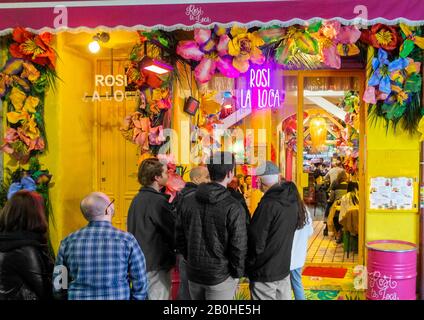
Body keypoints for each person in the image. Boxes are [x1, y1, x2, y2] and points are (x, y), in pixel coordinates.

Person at [176, 151, 247, 300]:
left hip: (195, 272)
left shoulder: (188, 200)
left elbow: (180, 236)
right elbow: (238, 245)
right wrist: (237, 273)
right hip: (220, 275)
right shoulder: (233, 206)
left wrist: (191, 260)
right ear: (230, 173)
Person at [53, 192, 148, 300]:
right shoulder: (127, 240)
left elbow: (59, 282)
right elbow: (140, 278)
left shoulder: (68, 241)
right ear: (107, 210)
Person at [247, 161, 299, 300]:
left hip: (265, 271)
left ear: (259, 181)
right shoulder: (292, 199)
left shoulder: (268, 204)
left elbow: (256, 240)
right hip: (283, 267)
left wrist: (250, 264)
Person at [127, 158, 176, 300]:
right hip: (156, 263)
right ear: (157, 177)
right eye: (166, 173)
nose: (168, 176)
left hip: (141, 260)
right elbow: (172, 231)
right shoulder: (157, 201)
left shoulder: (137, 199)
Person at [0, 191, 53, 300]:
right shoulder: (25, 249)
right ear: (35, 215)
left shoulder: (7, 242)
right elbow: (46, 291)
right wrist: (63, 270)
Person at [174, 165, 210, 300]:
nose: (209, 181)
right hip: (191, 252)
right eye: (206, 177)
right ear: (196, 178)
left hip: (186, 252)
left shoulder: (183, 194)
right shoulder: (194, 197)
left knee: (186, 288)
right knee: (190, 290)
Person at [290, 203, 313, 300]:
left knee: (284, 286)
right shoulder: (304, 210)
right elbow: (310, 232)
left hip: (285, 257)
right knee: (297, 283)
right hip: (299, 257)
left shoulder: (285, 209)